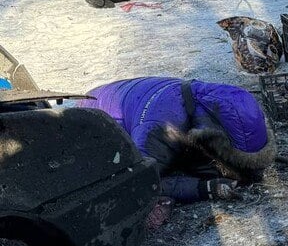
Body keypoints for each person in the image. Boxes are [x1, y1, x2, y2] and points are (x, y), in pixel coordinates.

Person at [77, 78, 276, 203]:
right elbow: (142, 181)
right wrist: (204, 188)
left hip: (130, 94)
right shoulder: (159, 128)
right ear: (209, 137)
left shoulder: (208, 100)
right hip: (89, 116)